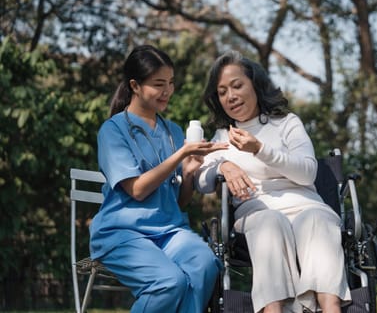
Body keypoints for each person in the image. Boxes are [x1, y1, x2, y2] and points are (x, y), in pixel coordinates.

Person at [195, 50, 351, 313]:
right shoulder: (223, 135)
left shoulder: (287, 123)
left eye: (237, 85)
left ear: (255, 84)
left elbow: (307, 173)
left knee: (318, 218)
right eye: (222, 92)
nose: (230, 96)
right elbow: (201, 181)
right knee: (270, 222)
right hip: (257, 212)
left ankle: (330, 308)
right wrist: (224, 164)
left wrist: (260, 149)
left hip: (306, 206)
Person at [89, 45, 228, 313]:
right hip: (122, 233)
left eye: (171, 83)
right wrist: (180, 155)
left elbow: (180, 202)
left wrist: (188, 173)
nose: (167, 91)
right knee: (168, 282)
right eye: (158, 84)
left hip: (168, 231)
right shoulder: (113, 131)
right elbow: (138, 190)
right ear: (135, 86)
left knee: (204, 264)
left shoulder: (173, 131)